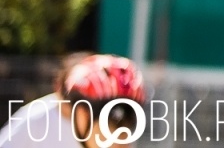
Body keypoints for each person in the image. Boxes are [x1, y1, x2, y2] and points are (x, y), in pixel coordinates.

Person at [0, 54, 146, 148]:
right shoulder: (34, 118)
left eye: (129, 124)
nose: (123, 142)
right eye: (112, 123)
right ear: (82, 113)